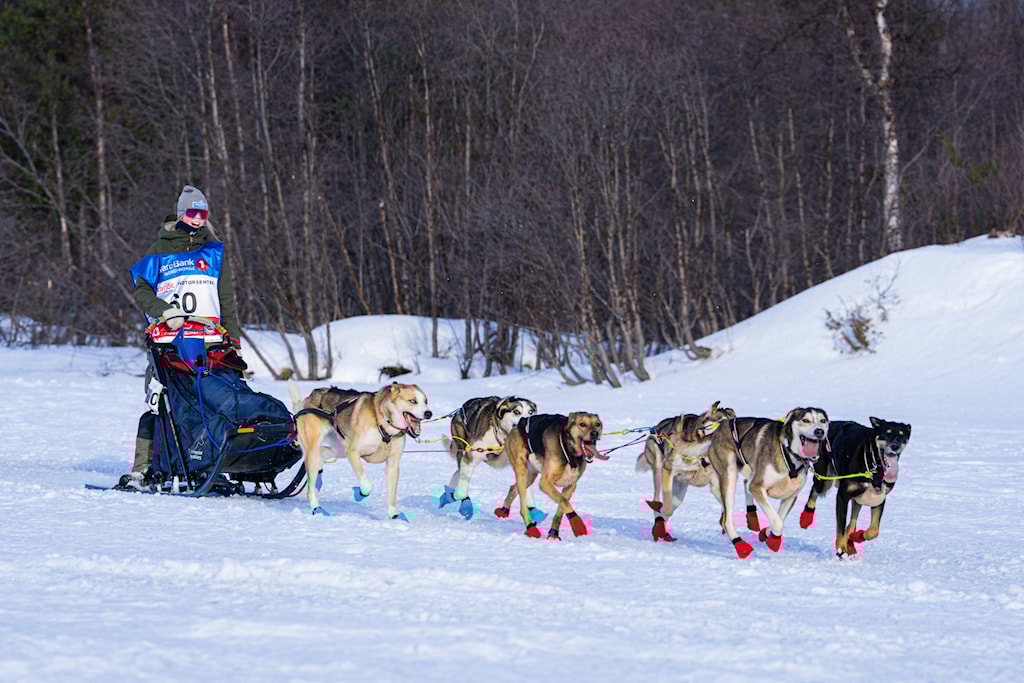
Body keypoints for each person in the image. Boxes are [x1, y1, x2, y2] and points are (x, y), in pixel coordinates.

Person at [123, 185, 242, 482]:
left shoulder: (213, 252)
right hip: (169, 342)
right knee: (159, 402)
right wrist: (165, 311)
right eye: (192, 213)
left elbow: (226, 299)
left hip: (210, 342)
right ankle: (144, 468)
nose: (198, 219)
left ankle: (205, 463)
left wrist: (233, 339)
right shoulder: (159, 250)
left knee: (210, 403)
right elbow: (142, 291)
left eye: (203, 213)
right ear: (180, 214)